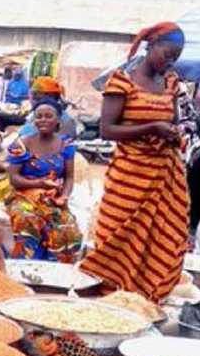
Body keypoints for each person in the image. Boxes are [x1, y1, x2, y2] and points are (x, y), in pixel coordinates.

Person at [79, 22, 190, 301]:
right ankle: (109, 298)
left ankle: (141, 299)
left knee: (162, 237)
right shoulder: (121, 81)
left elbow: (172, 122)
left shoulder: (171, 83)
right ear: (151, 45)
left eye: (176, 57)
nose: (171, 61)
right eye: (168, 54)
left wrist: (174, 134)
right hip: (130, 176)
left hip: (165, 172)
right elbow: (108, 130)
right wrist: (150, 129)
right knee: (117, 234)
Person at [5, 98, 83, 262]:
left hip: (53, 198)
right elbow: (14, 179)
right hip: (24, 195)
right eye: (39, 116)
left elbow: (69, 177)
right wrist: (39, 184)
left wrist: (64, 197)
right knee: (27, 220)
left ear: (58, 120)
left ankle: (57, 273)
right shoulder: (21, 144)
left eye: (48, 116)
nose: (43, 120)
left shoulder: (66, 145)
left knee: (67, 229)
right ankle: (25, 269)